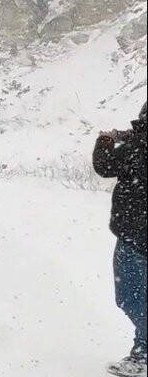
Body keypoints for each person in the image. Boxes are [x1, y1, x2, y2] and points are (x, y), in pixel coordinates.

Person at [94, 102, 147, 376]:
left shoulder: (138, 149)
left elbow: (104, 166)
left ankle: (143, 354)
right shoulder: (138, 146)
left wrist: (106, 140)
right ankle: (141, 355)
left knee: (130, 298)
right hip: (136, 235)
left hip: (136, 238)